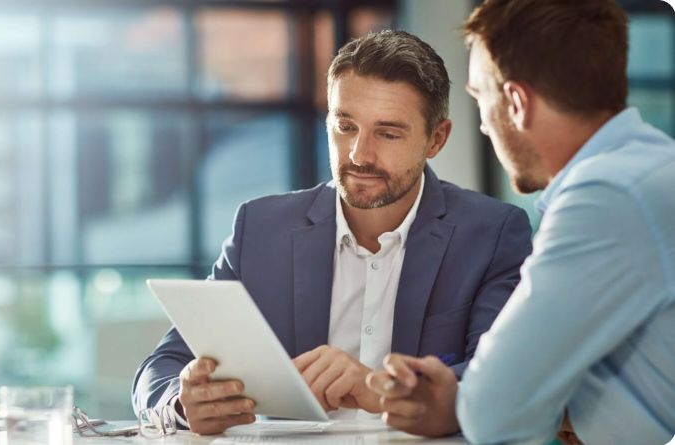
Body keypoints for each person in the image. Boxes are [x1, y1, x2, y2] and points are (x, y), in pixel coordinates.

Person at [132, 30, 532, 435]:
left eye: (388, 134)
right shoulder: (261, 229)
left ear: (436, 139)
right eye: (345, 126)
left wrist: (377, 389)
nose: (359, 155)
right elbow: (159, 368)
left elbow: (502, 379)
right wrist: (182, 402)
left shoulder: (493, 234)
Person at [366, 2, 675, 444]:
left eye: (480, 99)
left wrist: (468, 402)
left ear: (515, 102)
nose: (485, 127)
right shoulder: (649, 168)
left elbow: (495, 415)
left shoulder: (607, 195)